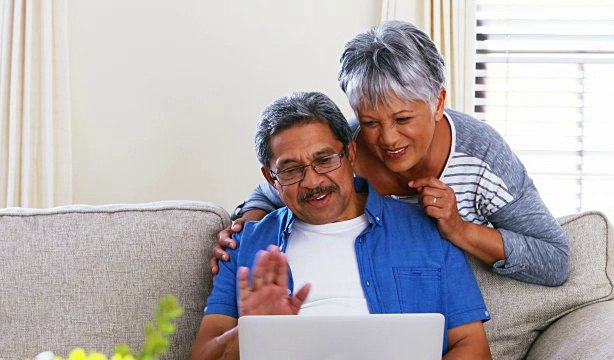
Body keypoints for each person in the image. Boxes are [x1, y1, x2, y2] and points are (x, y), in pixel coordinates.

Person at [212, 21, 570, 286]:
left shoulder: (482, 155)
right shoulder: (342, 151)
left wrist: (459, 229)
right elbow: (272, 189)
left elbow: (554, 260)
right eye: (370, 121)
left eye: (403, 118)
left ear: (438, 103)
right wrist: (246, 228)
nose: (387, 139)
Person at [191, 92, 491, 359]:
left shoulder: (427, 228)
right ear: (271, 179)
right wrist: (255, 330)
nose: (313, 181)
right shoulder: (244, 245)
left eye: (325, 160)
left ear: (350, 155)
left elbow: (472, 345)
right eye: (292, 169)